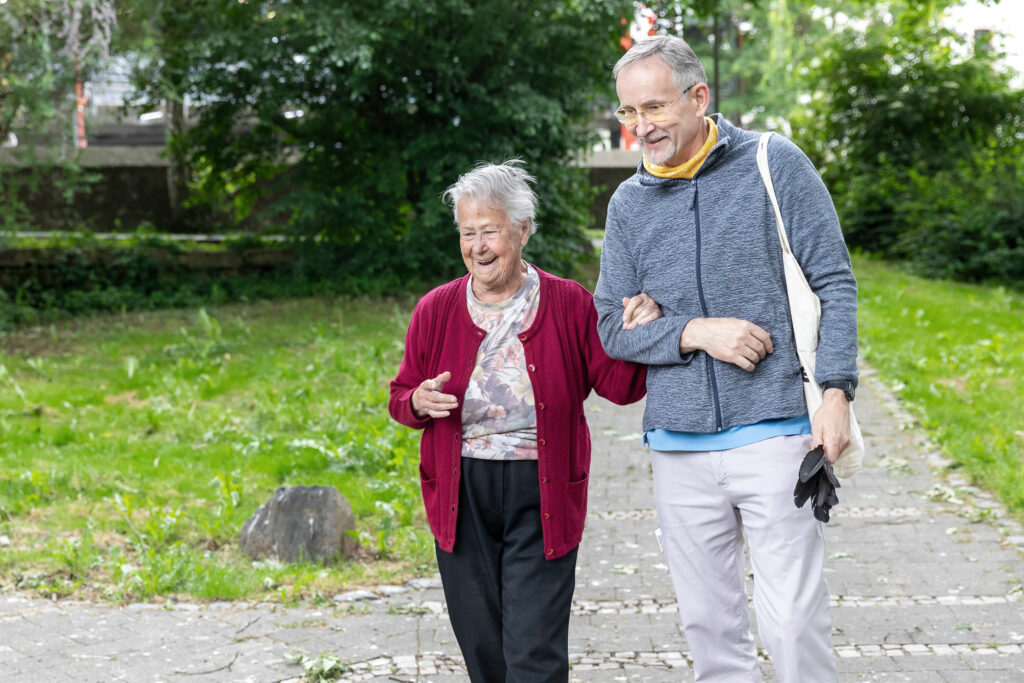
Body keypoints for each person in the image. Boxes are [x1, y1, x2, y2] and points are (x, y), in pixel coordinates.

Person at [594, 36, 859, 682]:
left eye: (654, 107)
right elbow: (609, 327)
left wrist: (836, 390)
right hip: (677, 443)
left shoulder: (774, 163)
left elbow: (836, 281)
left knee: (792, 624)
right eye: (629, 113)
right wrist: (694, 332)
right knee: (710, 631)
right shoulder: (629, 205)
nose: (641, 127)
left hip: (775, 428)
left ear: (699, 97)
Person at [389, 160, 657, 682]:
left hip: (544, 489)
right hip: (461, 490)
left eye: (490, 230)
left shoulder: (568, 303)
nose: (478, 246)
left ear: (522, 229)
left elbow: (620, 387)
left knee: (535, 653)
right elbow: (402, 396)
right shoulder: (435, 309)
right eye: (468, 233)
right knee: (483, 650)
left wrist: (637, 333)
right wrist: (419, 401)